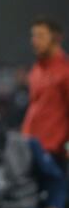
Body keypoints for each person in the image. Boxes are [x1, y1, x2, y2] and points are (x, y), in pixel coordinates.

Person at [22, 17, 69, 172]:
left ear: (56, 38)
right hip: (31, 148)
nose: (34, 41)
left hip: (55, 152)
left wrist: (67, 147)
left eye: (41, 36)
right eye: (33, 36)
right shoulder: (36, 70)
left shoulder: (65, 71)